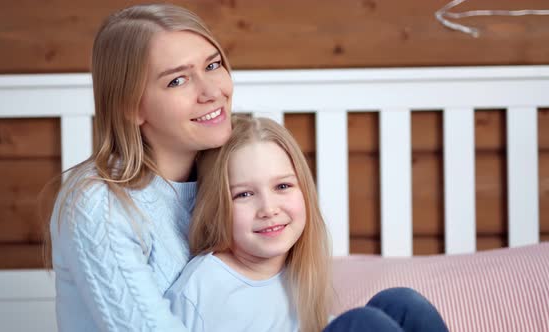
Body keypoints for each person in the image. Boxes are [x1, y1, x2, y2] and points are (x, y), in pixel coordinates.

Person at [165, 115, 449, 332]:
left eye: (283, 186)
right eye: (244, 194)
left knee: (403, 304)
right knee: (363, 324)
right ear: (216, 206)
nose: (268, 209)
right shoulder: (202, 285)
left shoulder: (298, 272)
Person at [48, 3, 233, 331]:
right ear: (130, 107)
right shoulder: (100, 204)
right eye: (177, 80)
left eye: (213, 65)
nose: (212, 92)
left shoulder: (233, 176)